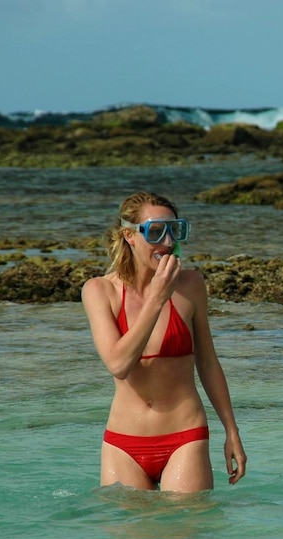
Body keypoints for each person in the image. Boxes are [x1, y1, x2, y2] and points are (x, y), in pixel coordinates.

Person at [82, 191, 247, 492]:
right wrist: (156, 298)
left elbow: (208, 362)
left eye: (175, 230)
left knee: (185, 535)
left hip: (185, 436)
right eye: (156, 232)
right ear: (129, 235)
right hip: (124, 444)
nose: (168, 242)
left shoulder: (191, 285)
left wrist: (231, 430)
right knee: (129, 536)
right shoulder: (99, 291)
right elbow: (118, 364)